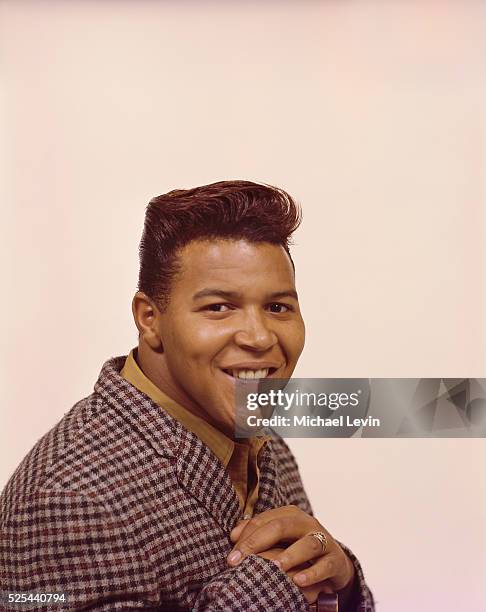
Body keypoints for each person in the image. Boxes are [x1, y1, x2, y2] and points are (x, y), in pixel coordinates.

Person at [0, 181, 374, 611]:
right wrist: (265, 597)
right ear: (150, 319)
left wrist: (339, 581)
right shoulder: (67, 500)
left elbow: (309, 591)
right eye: (219, 307)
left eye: (278, 307)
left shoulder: (259, 434)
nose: (259, 336)